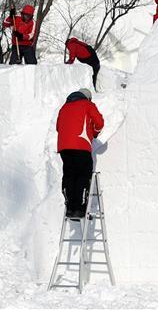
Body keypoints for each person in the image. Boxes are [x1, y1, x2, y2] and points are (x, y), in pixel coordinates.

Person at [56, 88, 104, 218]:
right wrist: (94, 134)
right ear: (87, 98)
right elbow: (99, 123)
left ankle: (70, 207)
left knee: (69, 175)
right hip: (81, 146)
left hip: (64, 148)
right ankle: (80, 208)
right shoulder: (88, 105)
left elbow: (58, 127)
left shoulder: (64, 107)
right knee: (83, 175)